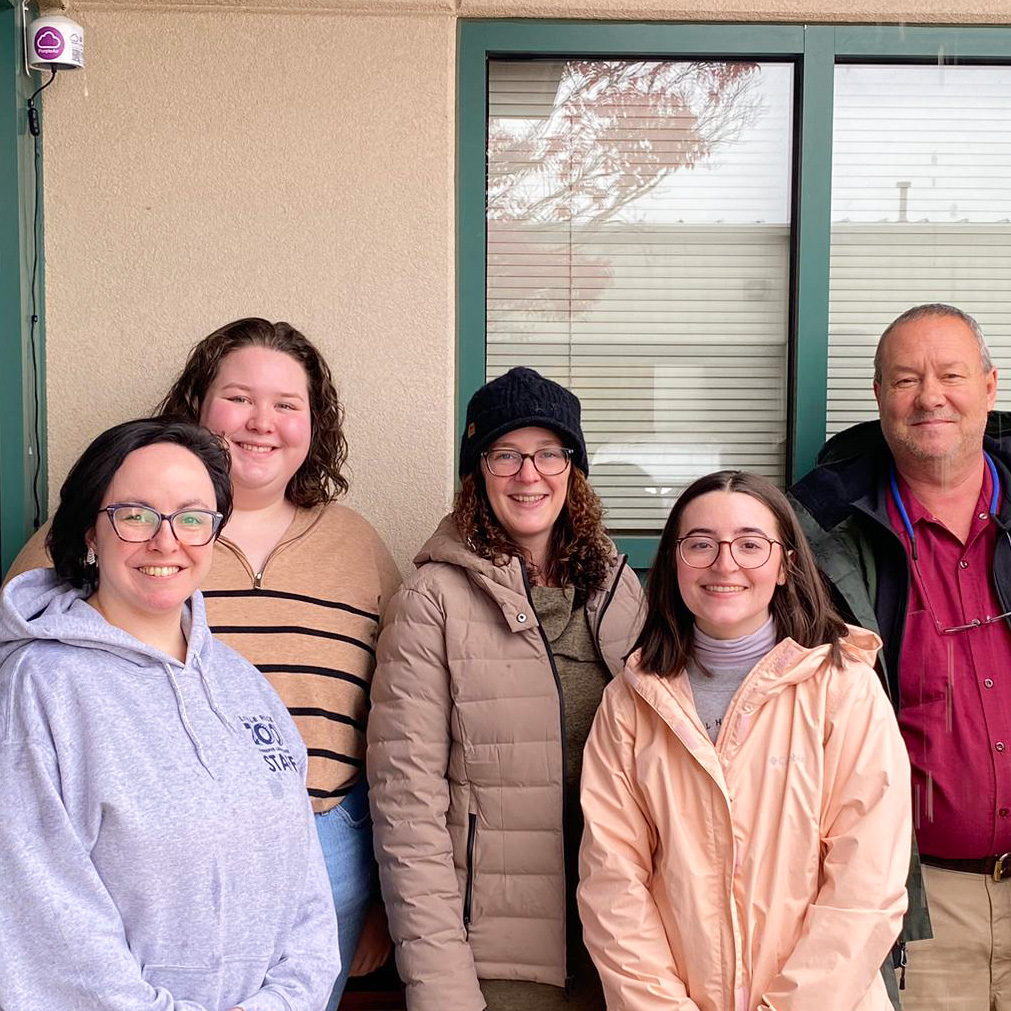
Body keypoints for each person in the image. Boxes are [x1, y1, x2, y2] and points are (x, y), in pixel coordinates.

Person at [6, 317, 401, 1010]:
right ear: (92, 532)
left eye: (287, 404)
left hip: (317, 845)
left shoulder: (340, 563)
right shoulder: (44, 678)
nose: (166, 539)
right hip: (131, 918)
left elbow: (399, 725)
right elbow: (43, 895)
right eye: (239, 397)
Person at [577, 469, 911, 1011]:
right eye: (701, 544)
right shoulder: (630, 705)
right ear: (674, 563)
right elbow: (612, 886)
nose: (724, 563)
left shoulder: (843, 689)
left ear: (786, 566)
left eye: (750, 545)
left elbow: (867, 886)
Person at [367, 366, 644, 1011]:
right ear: (476, 470)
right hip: (500, 959)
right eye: (506, 454)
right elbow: (407, 809)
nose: (529, 474)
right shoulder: (431, 600)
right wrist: (442, 989)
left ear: (573, 468)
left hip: (623, 947)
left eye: (550, 452)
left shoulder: (617, 588)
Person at [789, 303, 1011, 1007]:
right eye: (905, 379)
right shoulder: (816, 539)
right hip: (916, 907)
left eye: (950, 374)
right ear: (879, 395)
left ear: (988, 386)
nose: (929, 396)